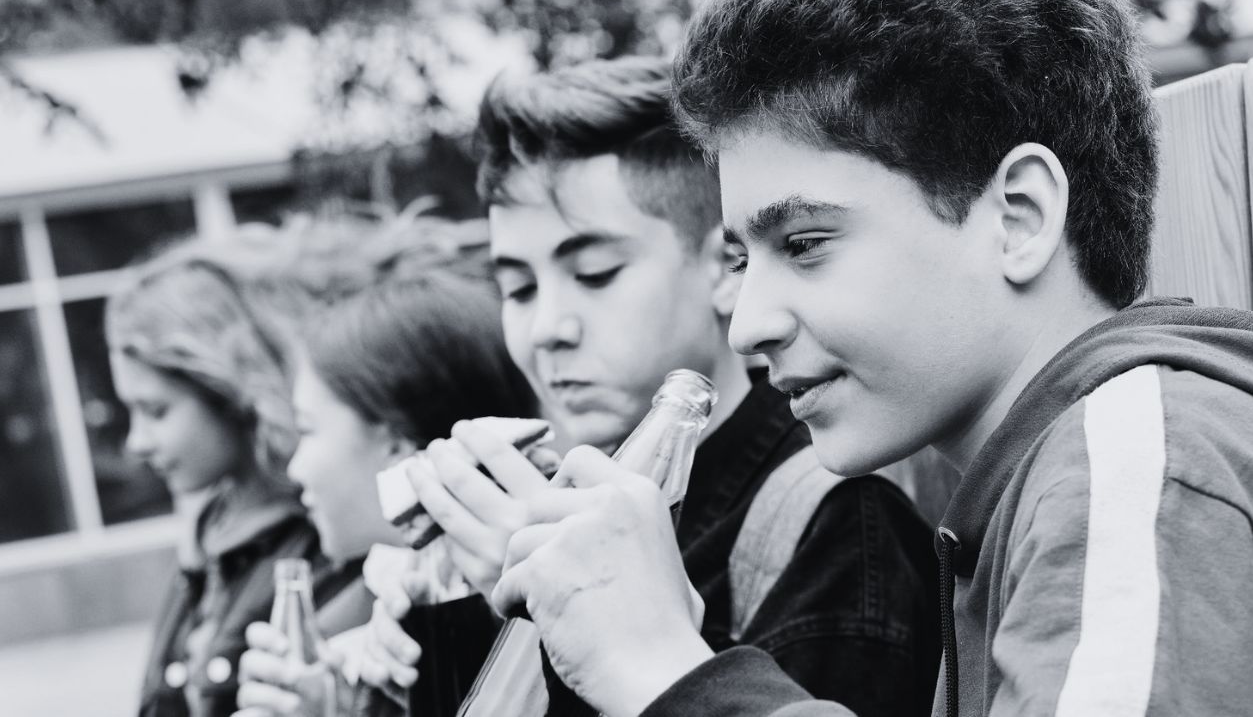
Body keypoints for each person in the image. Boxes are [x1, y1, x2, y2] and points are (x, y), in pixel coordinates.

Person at [474, 0, 1253, 716]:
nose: (748, 325)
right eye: (742, 260)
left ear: (1017, 216)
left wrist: (669, 671)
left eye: (803, 242)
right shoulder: (1053, 485)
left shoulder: (1136, 460)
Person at [397, 56, 941, 717]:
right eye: (517, 287)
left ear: (725, 266)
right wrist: (435, 633)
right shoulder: (559, 497)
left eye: (594, 273)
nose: (546, 329)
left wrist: (564, 618)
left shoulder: (838, 528)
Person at [233, 247, 540, 717]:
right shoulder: (380, 613)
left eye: (307, 429)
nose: (293, 469)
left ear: (396, 444)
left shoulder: (504, 617)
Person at [108, 233, 359, 717]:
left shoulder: (331, 535)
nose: (136, 442)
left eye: (155, 411)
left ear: (228, 390)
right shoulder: (210, 532)